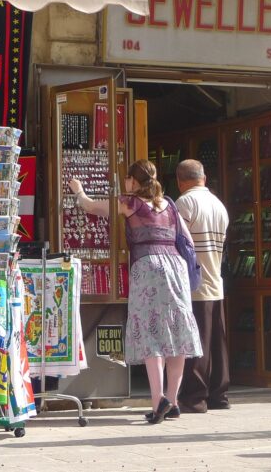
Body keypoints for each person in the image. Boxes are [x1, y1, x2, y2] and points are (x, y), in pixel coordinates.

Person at [69, 159, 202, 424]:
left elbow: (92, 206)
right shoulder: (170, 205)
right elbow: (187, 240)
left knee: (152, 333)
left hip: (148, 265)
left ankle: (158, 401)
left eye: (127, 178)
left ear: (132, 180)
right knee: (177, 332)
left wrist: (78, 190)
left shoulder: (130, 203)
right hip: (175, 267)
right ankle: (173, 400)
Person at [175, 159, 230, 413]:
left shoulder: (185, 203)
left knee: (197, 343)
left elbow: (177, 242)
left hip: (195, 284)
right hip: (215, 280)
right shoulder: (218, 204)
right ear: (203, 178)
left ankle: (195, 397)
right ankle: (219, 395)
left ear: (180, 181)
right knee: (217, 342)